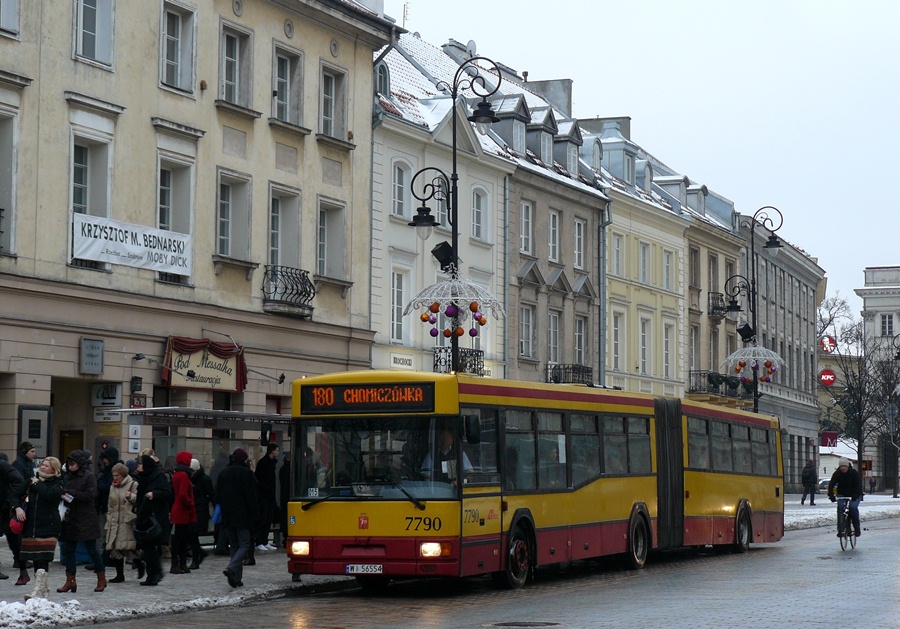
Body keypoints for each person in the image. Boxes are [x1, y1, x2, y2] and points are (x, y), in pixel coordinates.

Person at [57, 450, 107, 594]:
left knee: (92, 549)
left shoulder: (88, 476)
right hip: (70, 517)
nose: (70, 466)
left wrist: (70, 493)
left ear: (80, 464)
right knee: (69, 549)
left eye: (73, 464)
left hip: (86, 517)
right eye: (69, 464)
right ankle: (70, 580)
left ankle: (101, 578)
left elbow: (91, 495)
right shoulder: (67, 477)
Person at [20, 457, 64, 601]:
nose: (43, 467)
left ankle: (36, 591)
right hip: (31, 526)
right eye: (42, 465)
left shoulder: (58, 483)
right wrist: (17, 507)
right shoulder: (31, 480)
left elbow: (49, 495)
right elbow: (16, 493)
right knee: (35, 558)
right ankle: (43, 590)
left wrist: (37, 484)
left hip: (49, 526)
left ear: (54, 469)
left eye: (47, 466)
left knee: (43, 557)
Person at [217, 448, 260, 588]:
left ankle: (236, 578)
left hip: (228, 516)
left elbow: (217, 495)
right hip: (243, 516)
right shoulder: (247, 474)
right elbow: (252, 497)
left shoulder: (223, 473)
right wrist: (256, 515)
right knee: (245, 544)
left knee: (234, 545)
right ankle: (231, 567)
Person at [134, 454, 173, 586]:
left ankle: (155, 574)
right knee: (147, 548)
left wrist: (154, 494)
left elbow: (168, 494)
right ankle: (153, 575)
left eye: (140, 465)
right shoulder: (144, 477)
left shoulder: (158, 476)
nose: (138, 468)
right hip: (144, 516)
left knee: (150, 548)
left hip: (155, 517)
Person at [104, 463, 139, 584]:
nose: (115, 477)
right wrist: (108, 519)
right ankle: (120, 574)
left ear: (123, 475)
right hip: (114, 520)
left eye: (117, 475)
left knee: (128, 547)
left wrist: (131, 496)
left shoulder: (133, 484)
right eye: (113, 475)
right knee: (115, 548)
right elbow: (110, 504)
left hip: (127, 520)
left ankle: (140, 565)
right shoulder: (113, 486)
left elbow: (139, 500)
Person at [10, 441, 36, 579]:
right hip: (21, 501)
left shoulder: (27, 463)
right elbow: (18, 484)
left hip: (26, 499)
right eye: (32, 451)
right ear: (25, 451)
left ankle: (22, 558)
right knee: (17, 531)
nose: (34, 454)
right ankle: (19, 559)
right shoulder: (19, 464)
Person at [169, 451, 196, 574]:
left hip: (178, 509)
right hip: (183, 510)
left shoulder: (177, 473)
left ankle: (179, 563)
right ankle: (180, 563)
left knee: (178, 538)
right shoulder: (184, 475)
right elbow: (183, 494)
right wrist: (191, 503)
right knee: (182, 538)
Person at [1, 451, 27, 582]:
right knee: (12, 537)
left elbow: (19, 481)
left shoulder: (3, 466)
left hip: (4, 508)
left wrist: (10, 500)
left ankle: (22, 568)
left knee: (13, 537)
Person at [188, 458, 215, 570]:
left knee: (193, 534)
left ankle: (195, 559)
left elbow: (212, 495)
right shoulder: (190, 479)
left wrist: (216, 510)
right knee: (191, 535)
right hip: (191, 510)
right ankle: (199, 553)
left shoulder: (205, 479)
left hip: (201, 511)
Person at [828, 458, 863, 537]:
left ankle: (856, 528)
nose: (843, 468)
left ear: (848, 466)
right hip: (842, 494)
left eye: (844, 466)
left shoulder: (854, 473)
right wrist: (831, 495)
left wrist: (856, 496)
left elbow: (859, 486)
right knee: (840, 508)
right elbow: (831, 484)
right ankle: (841, 529)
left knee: (853, 508)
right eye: (841, 466)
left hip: (854, 494)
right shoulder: (837, 474)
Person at [255, 443, 279, 552]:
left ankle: (264, 540)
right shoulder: (263, 463)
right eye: (276, 450)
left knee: (268, 519)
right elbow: (261, 481)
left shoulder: (271, 463)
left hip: (270, 496)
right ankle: (259, 541)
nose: (278, 452)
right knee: (263, 519)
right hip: (264, 496)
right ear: (272, 451)